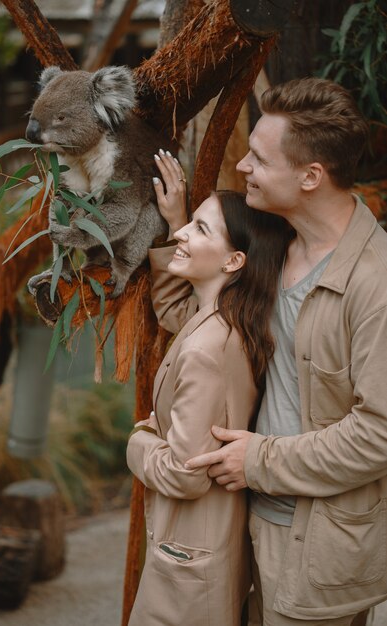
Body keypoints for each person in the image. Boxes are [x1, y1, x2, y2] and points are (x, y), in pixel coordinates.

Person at [162, 77, 387, 625]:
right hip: (247, 517)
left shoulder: (375, 281)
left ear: (311, 176)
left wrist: (257, 460)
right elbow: (195, 323)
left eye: (259, 159)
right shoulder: (273, 247)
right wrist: (176, 230)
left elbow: (379, 433)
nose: (242, 168)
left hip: (319, 545)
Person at [126, 167, 288, 625]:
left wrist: (138, 442)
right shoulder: (233, 321)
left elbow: (184, 474)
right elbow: (179, 312)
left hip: (190, 552)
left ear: (234, 261)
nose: (181, 232)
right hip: (213, 541)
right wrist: (176, 216)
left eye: (199, 228)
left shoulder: (207, 349)